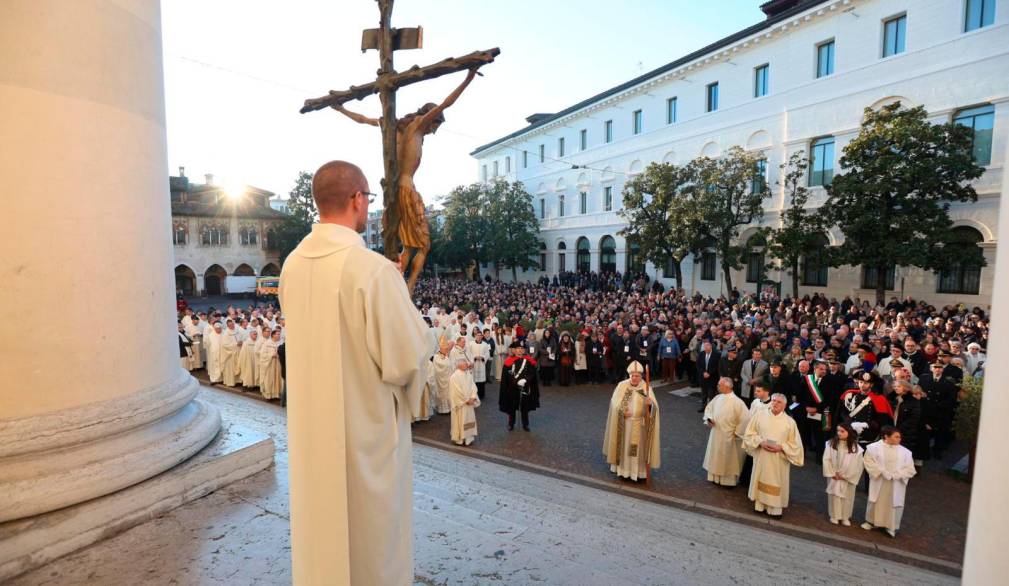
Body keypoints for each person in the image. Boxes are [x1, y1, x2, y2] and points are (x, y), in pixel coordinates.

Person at [279, 160, 435, 585]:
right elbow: (405, 358)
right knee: (371, 546)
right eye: (367, 197)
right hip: (364, 437)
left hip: (313, 434)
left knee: (322, 543)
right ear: (356, 199)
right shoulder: (373, 270)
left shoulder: (291, 265)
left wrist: (390, 287)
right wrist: (415, 320)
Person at [742, 393, 804, 518]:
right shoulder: (759, 416)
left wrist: (781, 447)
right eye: (774, 401)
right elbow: (749, 434)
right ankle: (759, 506)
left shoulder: (790, 422)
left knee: (777, 483)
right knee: (761, 478)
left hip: (778, 459)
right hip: (762, 456)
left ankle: (775, 510)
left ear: (785, 405)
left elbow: (796, 445)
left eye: (779, 402)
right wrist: (760, 442)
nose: (775, 403)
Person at [603, 361, 660, 481]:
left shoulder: (646, 388)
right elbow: (614, 403)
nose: (634, 378)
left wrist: (650, 405)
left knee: (636, 450)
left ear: (641, 376)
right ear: (629, 375)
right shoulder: (622, 386)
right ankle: (624, 471)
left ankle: (637, 473)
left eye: (637, 376)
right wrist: (622, 411)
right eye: (632, 376)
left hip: (640, 426)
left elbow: (655, 408)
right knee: (625, 448)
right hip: (625, 425)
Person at [862, 426, 916, 538]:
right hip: (880, 480)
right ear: (886, 436)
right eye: (896, 436)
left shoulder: (906, 452)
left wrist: (897, 475)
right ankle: (871, 522)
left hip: (896, 483)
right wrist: (881, 472)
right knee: (876, 500)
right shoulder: (873, 448)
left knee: (893, 503)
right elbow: (868, 461)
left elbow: (910, 469)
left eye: (900, 437)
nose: (899, 439)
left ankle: (891, 526)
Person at [702, 377, 749, 487]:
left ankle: (727, 482)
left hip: (729, 436)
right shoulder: (718, 398)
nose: (717, 387)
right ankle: (714, 477)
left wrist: (737, 433)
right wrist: (709, 419)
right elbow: (709, 409)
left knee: (727, 459)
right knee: (716, 457)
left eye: (720, 385)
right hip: (716, 433)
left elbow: (746, 419)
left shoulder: (738, 402)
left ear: (728, 386)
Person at [822, 423, 864, 526]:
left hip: (847, 477)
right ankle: (834, 515)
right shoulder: (831, 444)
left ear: (849, 433)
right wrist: (832, 473)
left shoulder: (856, 448)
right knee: (834, 495)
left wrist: (846, 476)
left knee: (848, 496)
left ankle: (845, 516)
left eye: (842, 431)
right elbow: (826, 459)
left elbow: (858, 465)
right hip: (834, 475)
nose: (839, 433)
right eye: (838, 431)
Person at [499, 341, 540, 431]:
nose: (520, 350)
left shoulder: (528, 360)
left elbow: (532, 373)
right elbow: (507, 375)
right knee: (512, 407)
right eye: (518, 348)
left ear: (524, 350)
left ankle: (525, 424)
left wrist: (525, 380)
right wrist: (516, 381)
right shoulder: (509, 361)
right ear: (514, 350)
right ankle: (511, 423)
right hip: (512, 387)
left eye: (522, 348)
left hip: (525, 387)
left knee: (524, 407)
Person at [449, 358, 480, 446]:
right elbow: (456, 391)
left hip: (469, 403)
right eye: (465, 364)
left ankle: (468, 437)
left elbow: (473, 386)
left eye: (466, 364)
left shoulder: (468, 374)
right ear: (459, 365)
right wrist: (466, 400)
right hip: (461, 405)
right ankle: (460, 438)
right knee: (461, 421)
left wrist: (473, 397)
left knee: (469, 420)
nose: (467, 365)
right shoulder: (454, 377)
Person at [258, 329, 283, 400]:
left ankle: (276, 394)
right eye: (277, 334)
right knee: (269, 379)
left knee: (277, 379)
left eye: (279, 334)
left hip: (278, 364)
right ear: (273, 335)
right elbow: (262, 354)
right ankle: (268, 395)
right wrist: (272, 355)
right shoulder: (267, 343)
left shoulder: (280, 344)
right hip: (269, 365)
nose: (279, 335)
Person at [432, 339, 454, 415]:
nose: (447, 350)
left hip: (448, 379)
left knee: (448, 393)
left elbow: (449, 365)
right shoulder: (436, 357)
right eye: (445, 349)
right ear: (441, 349)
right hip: (441, 379)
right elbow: (439, 367)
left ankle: (448, 408)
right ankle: (442, 410)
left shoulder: (446, 356)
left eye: (447, 349)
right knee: (442, 394)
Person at [698, 341, 720, 413]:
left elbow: (717, 367)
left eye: (707, 346)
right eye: (704, 346)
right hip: (703, 377)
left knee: (711, 395)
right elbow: (698, 365)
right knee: (704, 394)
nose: (706, 347)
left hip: (712, 378)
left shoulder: (717, 355)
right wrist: (703, 372)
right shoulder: (701, 354)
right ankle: (703, 407)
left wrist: (709, 373)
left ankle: (711, 409)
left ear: (711, 346)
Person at [468, 330, 490, 400]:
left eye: (480, 335)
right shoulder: (470, 344)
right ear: (475, 336)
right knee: (473, 380)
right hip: (474, 364)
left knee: (481, 381)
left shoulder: (485, 344)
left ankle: (481, 395)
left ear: (482, 336)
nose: (479, 337)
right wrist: (474, 357)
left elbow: (487, 354)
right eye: (478, 335)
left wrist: (483, 357)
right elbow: (468, 353)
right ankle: (473, 395)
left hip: (481, 364)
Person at [221, 319, 241, 387]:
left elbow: (240, 338)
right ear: (227, 326)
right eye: (230, 325)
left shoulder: (237, 331)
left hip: (238, 351)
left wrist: (240, 342)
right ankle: (231, 382)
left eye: (232, 324)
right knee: (231, 368)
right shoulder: (226, 333)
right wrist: (236, 344)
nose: (232, 326)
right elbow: (224, 344)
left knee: (238, 366)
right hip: (230, 354)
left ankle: (238, 380)